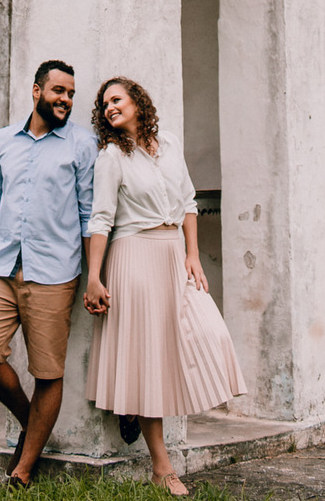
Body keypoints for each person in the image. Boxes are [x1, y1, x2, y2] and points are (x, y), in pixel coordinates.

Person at [84, 76, 245, 495]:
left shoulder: (169, 144)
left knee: (209, 332)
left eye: (116, 100)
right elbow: (100, 219)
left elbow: (189, 202)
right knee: (151, 358)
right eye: (104, 106)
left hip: (174, 253)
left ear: (137, 101)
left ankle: (135, 406)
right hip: (133, 256)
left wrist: (192, 254)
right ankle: (162, 466)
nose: (109, 109)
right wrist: (95, 277)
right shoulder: (111, 157)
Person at [0, 59, 97, 489]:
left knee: (48, 372)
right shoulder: (4, 141)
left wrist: (92, 274)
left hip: (53, 274)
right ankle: (32, 423)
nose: (66, 99)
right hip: (2, 268)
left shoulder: (81, 145)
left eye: (71, 93)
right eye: (58, 90)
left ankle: (23, 469)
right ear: (36, 91)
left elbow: (87, 214)